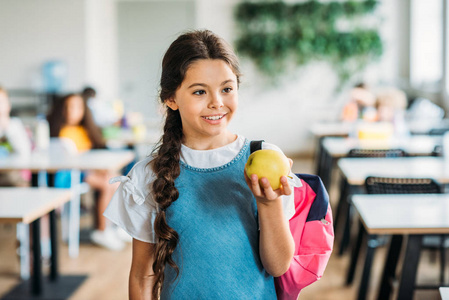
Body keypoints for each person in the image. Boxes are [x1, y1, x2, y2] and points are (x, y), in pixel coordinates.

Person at [104, 30, 307, 299]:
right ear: (171, 99)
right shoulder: (148, 176)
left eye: (226, 89)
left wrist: (268, 205)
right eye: (200, 91)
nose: (216, 102)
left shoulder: (266, 156)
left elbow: (278, 265)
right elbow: (143, 276)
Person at [47, 93, 129, 250]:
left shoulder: (84, 130)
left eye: (78, 107)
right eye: (70, 107)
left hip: (86, 172)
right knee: (108, 184)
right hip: (70, 176)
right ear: (62, 109)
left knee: (116, 182)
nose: (74, 111)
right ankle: (102, 230)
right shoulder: (60, 132)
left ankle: (115, 227)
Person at [0, 87, 31, 186]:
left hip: (14, 174)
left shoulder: (15, 125)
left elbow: (25, 151)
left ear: (8, 105)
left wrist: (7, 127)